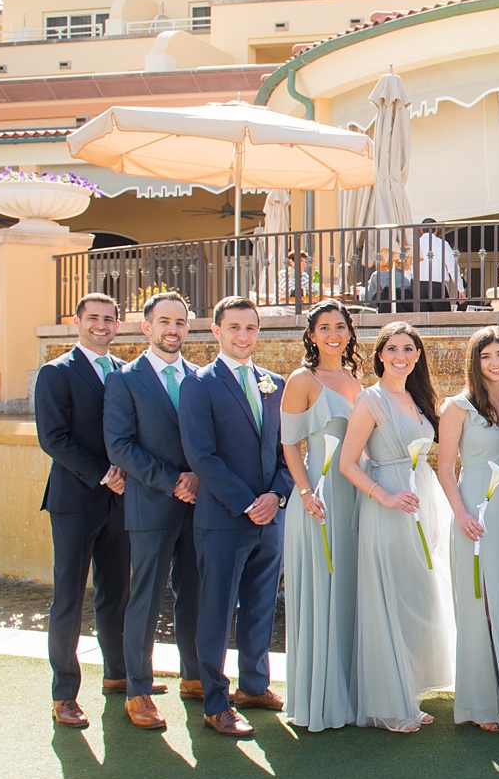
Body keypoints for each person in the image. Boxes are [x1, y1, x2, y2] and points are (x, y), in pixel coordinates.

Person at [178, 296, 292, 738]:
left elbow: (287, 450)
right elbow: (201, 455)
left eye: (250, 328)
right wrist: (249, 503)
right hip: (225, 519)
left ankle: (254, 686)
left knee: (261, 606)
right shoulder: (199, 384)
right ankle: (215, 701)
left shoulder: (274, 383)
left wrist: (277, 497)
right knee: (217, 610)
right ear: (217, 331)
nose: (243, 336)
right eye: (234, 328)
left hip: (271, 517)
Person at [338, 322, 455, 732]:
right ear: (380, 355)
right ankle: (389, 704)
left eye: (408, 349)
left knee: (417, 594)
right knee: (387, 596)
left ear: (417, 355)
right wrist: (384, 497)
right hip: (386, 501)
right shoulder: (370, 400)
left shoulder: (418, 399)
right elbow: (347, 463)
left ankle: (408, 690)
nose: (400, 356)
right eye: (392, 349)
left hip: (420, 499)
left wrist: (436, 515)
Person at [103, 291, 202, 730]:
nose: (173, 330)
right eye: (164, 322)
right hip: (150, 504)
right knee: (145, 597)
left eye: (180, 322)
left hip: (200, 506)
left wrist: (197, 478)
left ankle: (195, 676)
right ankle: (138, 690)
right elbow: (120, 446)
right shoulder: (124, 380)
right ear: (147, 327)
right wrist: (172, 481)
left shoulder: (200, 378)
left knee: (195, 593)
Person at [34, 293, 132, 729]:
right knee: (69, 598)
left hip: (122, 502)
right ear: (76, 321)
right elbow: (53, 438)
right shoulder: (56, 373)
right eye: (93, 318)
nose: (101, 325)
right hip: (75, 501)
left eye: (109, 319)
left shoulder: (126, 372)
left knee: (117, 592)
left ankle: (117, 674)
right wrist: (103, 474)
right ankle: (64, 694)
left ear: (118, 324)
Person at [435, 326, 499, 733]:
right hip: (477, 509)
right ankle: (480, 701)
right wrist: (460, 513)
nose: (496, 362)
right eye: (487, 355)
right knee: (481, 604)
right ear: (476, 361)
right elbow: (444, 468)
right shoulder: (458, 407)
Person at [279, 300, 365, 732]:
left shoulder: (355, 379)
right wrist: (307, 491)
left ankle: (349, 695)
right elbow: (289, 444)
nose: (334, 334)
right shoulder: (303, 379)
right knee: (321, 592)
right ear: (311, 335)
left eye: (341, 326)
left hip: (355, 497)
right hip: (318, 496)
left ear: (350, 332)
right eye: (324, 327)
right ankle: (319, 700)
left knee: (348, 591)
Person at [413, 219, 464, 312]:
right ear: (436, 229)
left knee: (422, 320)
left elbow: (409, 268)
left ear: (421, 230)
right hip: (437, 286)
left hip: (419, 286)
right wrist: (460, 289)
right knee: (442, 319)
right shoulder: (442, 244)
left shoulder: (415, 244)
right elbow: (452, 267)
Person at [363, 247, 407, 313]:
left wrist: (361, 292)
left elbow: (369, 298)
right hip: (401, 310)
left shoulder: (377, 275)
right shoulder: (404, 278)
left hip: (378, 310)